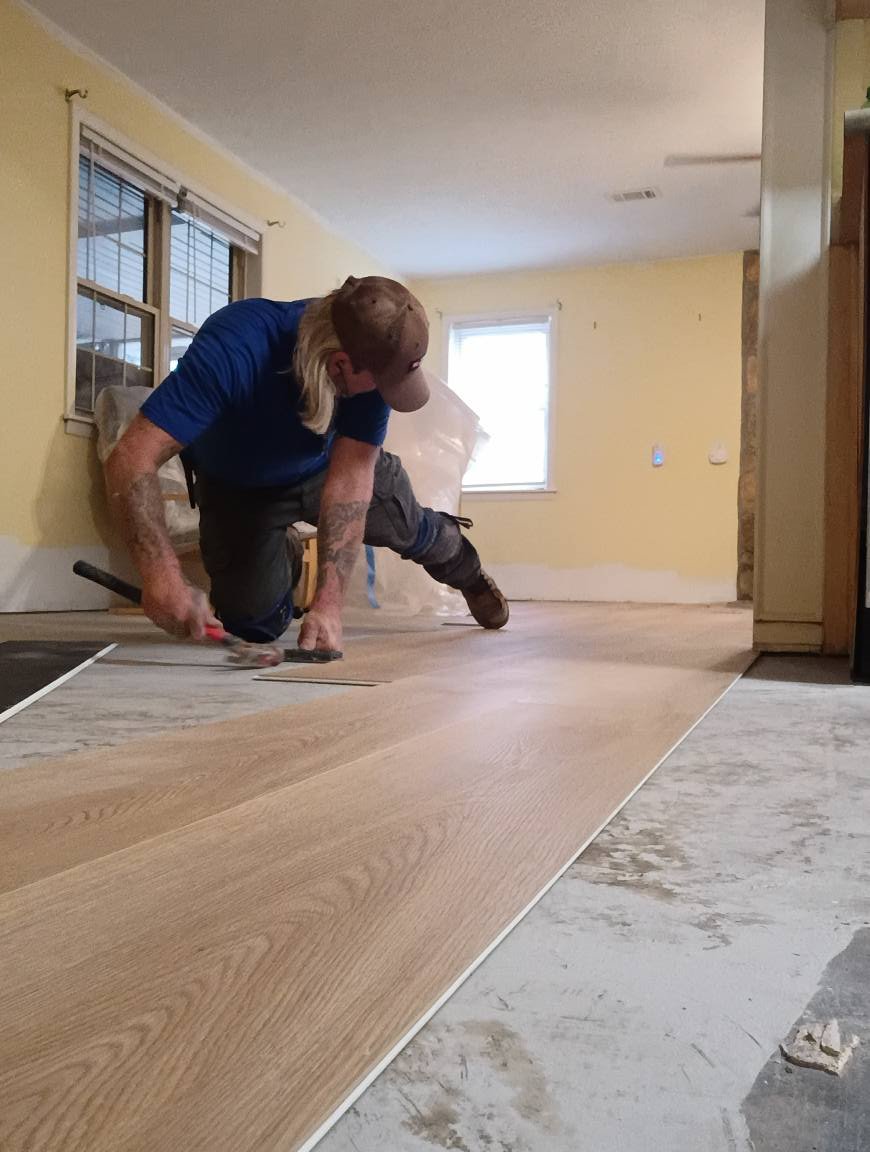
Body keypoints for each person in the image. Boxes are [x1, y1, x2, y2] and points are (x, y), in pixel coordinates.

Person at [104, 275, 509, 652]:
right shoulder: (236, 346)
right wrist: (160, 576)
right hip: (238, 486)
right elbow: (131, 456)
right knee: (253, 624)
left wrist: (329, 606)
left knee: (411, 528)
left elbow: (350, 481)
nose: (385, 394)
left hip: (327, 467)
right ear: (339, 364)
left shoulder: (370, 367)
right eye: (382, 382)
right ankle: (285, 552)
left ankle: (469, 574)